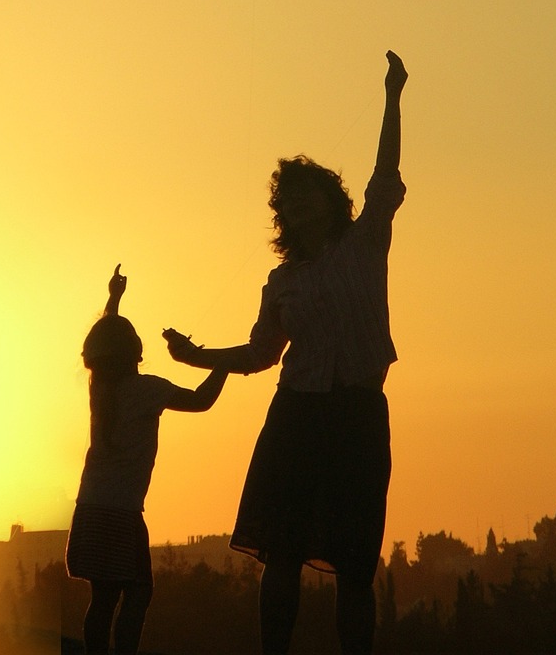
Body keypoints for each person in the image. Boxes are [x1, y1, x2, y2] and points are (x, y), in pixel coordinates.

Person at [164, 50, 407, 655]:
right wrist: (197, 358)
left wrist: (392, 96)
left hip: (356, 415)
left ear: (329, 200)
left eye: (306, 194)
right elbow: (259, 353)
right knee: (282, 554)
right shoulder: (282, 282)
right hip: (294, 419)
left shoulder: (365, 242)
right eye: (287, 200)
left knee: (354, 561)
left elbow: (385, 174)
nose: (295, 204)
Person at [66, 265, 229, 655]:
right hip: (121, 514)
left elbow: (108, 338)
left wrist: (114, 300)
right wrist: (226, 362)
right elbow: (202, 400)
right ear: (136, 353)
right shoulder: (146, 390)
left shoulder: (100, 390)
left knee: (103, 599)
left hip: (90, 511)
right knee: (138, 592)